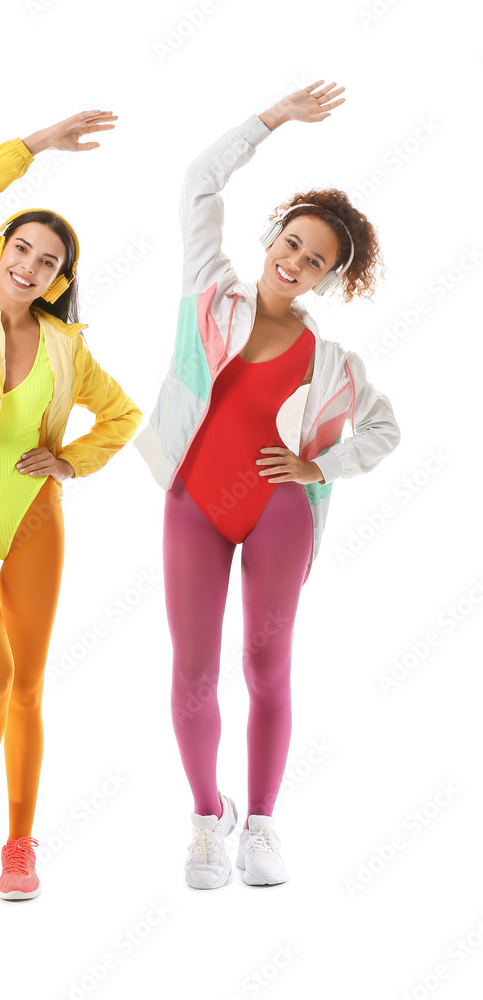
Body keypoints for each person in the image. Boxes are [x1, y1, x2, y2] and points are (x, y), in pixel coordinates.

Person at [134, 81, 401, 889]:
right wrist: (273, 120)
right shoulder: (209, 292)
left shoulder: (333, 366)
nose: (295, 262)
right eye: (291, 243)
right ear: (273, 237)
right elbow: (198, 183)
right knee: (192, 669)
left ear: (327, 278)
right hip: (194, 506)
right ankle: (207, 823)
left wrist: (321, 465)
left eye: (314, 260)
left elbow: (386, 429)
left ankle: (264, 824)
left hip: (279, 512)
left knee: (266, 666)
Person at [0, 110, 142, 901]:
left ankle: (19, 845)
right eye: (23, 249)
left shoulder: (66, 347)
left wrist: (71, 461)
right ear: (1, 249)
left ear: (59, 279)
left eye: (49, 262)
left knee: (29, 686)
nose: (31, 266)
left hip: (35, 518)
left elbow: (123, 417)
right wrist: (36, 146)